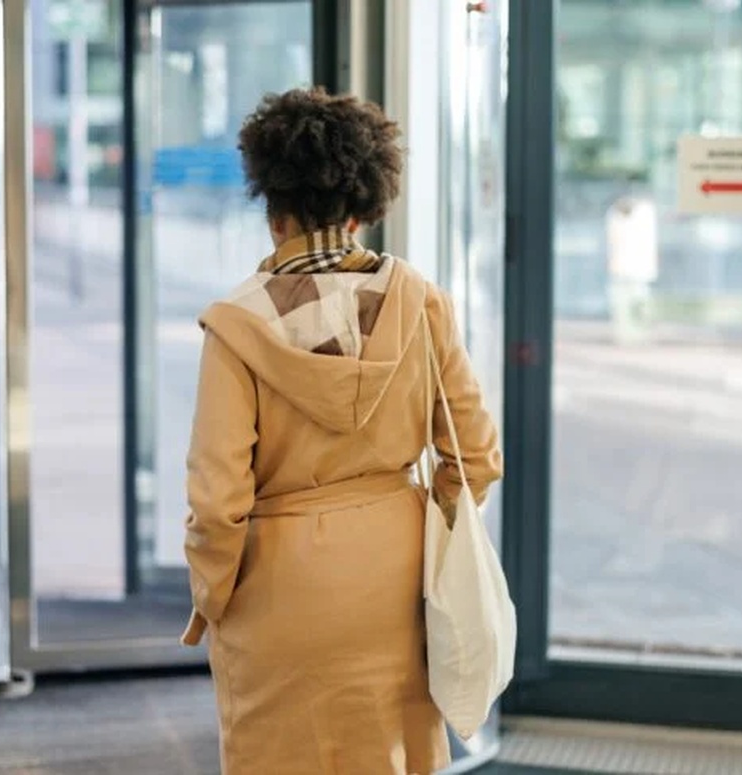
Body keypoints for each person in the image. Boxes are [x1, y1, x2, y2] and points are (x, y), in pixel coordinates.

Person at [178, 87, 504, 775]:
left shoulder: (235, 326)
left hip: (276, 580)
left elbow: (216, 496)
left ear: (273, 212)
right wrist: (425, 534)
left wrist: (211, 593)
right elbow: (474, 454)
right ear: (362, 208)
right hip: (394, 574)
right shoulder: (418, 300)